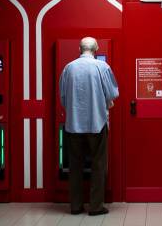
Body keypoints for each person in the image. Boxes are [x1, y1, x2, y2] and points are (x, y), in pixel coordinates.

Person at [59, 37, 119, 216]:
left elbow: (63, 97)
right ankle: (95, 206)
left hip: (73, 125)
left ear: (79, 49)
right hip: (97, 124)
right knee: (98, 165)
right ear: (96, 48)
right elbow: (112, 93)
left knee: (75, 167)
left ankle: (76, 206)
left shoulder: (68, 68)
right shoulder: (102, 67)